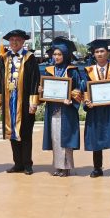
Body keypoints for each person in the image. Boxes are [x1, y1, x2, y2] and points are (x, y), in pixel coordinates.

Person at [0, 29, 40, 175]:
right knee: (12, 132)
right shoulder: (3, 58)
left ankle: (27, 164)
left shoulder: (30, 58)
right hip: (9, 102)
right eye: (12, 40)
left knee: (26, 132)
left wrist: (34, 101)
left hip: (25, 101)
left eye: (17, 40)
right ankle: (17, 163)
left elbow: (35, 80)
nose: (14, 42)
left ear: (23, 42)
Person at [40, 37, 82, 177]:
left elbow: (78, 90)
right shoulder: (49, 70)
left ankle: (66, 167)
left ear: (65, 55)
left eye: (59, 54)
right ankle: (58, 166)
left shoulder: (72, 71)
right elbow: (45, 89)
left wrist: (70, 98)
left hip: (67, 110)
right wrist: (42, 91)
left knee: (66, 138)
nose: (56, 57)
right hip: (53, 109)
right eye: (55, 54)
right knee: (55, 138)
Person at [83, 39, 110, 179]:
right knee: (96, 137)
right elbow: (85, 89)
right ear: (93, 54)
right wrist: (87, 101)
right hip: (95, 110)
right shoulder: (89, 71)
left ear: (108, 53)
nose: (99, 54)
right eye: (96, 51)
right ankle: (97, 168)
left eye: (102, 51)